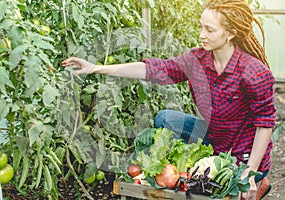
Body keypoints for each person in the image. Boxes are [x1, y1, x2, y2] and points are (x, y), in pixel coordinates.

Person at [62, 0, 276, 199]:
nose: (202, 34)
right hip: (215, 138)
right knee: (165, 119)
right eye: (201, 27)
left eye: (210, 30)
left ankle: (259, 181)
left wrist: (249, 172)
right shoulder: (197, 59)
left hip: (242, 152)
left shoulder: (253, 72)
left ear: (230, 33)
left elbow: (265, 125)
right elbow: (156, 69)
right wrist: (95, 68)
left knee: (225, 186)